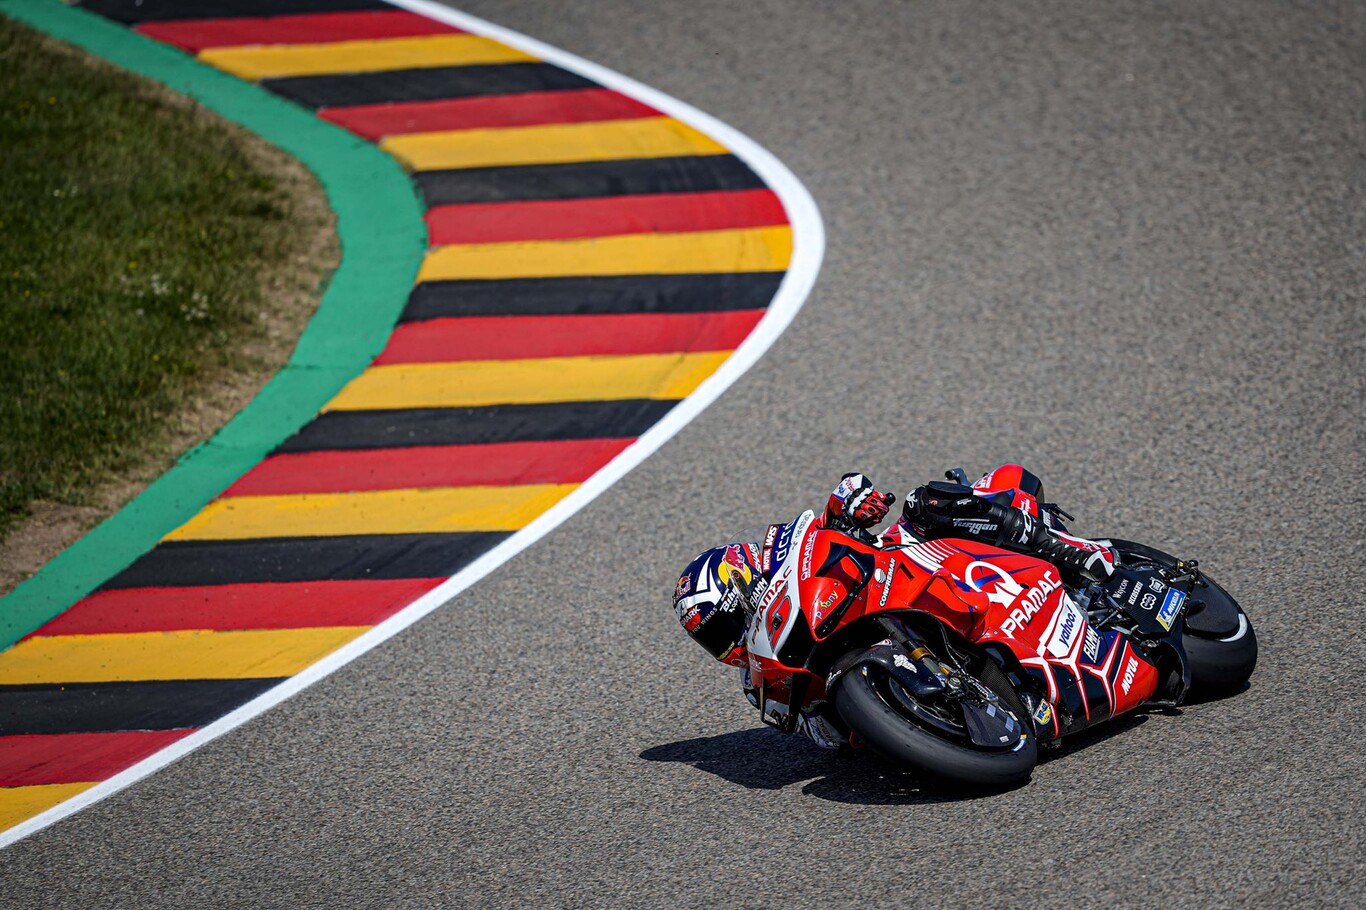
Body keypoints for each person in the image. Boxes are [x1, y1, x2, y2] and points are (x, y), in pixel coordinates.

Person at [670, 465, 1117, 749]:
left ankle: (1068, 551)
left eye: (722, 625)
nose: (726, 644)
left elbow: (823, 528)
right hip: (876, 661)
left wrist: (849, 501)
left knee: (928, 502)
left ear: (739, 586)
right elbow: (819, 737)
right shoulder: (759, 680)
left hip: (898, 567)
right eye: (710, 640)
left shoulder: (778, 549)